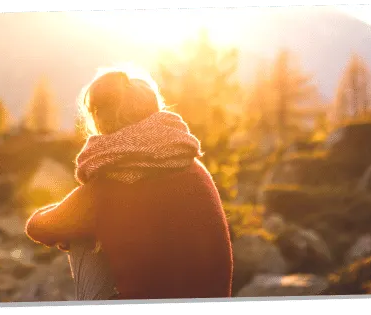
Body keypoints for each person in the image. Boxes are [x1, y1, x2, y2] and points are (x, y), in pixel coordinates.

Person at [25, 66, 233, 300]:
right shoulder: (193, 166)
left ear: (101, 121)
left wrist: (71, 218)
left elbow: (39, 227)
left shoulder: (108, 185)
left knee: (81, 235)